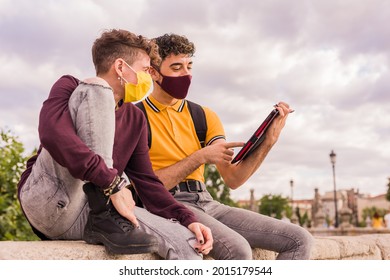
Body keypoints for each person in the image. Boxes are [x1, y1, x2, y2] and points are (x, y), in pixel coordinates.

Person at [17, 29, 212, 259]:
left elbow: (147, 181)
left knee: (187, 244)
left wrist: (187, 219)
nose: (149, 78)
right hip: (48, 201)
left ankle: (104, 214)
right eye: (145, 70)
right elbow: (53, 135)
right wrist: (113, 184)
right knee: (97, 88)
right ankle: (104, 206)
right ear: (121, 67)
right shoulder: (71, 87)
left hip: (92, 215)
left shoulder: (135, 118)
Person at [138, 33, 314, 260]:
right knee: (238, 250)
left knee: (300, 239)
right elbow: (147, 188)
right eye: (176, 67)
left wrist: (269, 140)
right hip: (168, 204)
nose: (186, 74)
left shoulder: (204, 116)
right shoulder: (136, 117)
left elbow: (234, 178)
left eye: (189, 66)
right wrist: (199, 157)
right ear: (153, 72)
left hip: (207, 201)